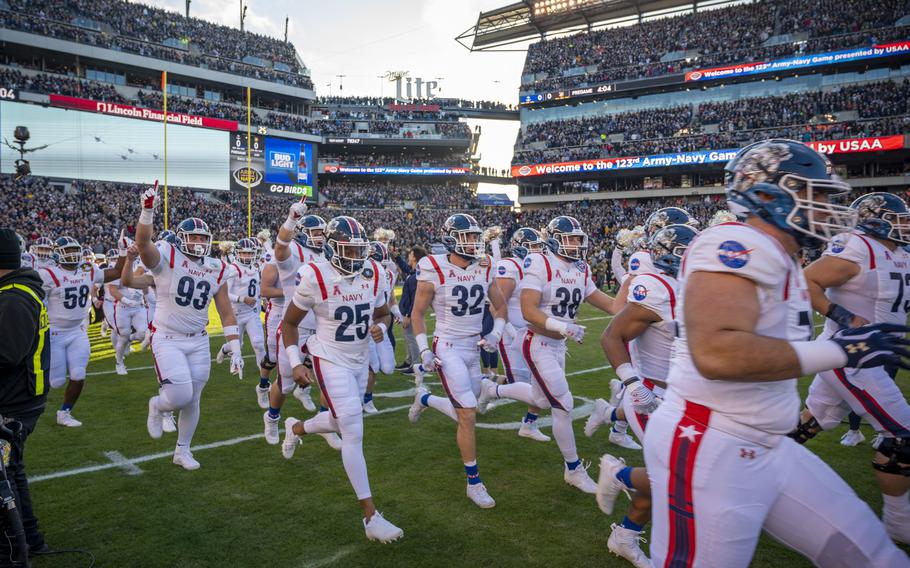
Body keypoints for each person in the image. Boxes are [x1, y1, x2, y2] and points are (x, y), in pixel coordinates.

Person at [643, 139, 910, 567]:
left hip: (768, 444)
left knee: (874, 556)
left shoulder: (784, 255)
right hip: (713, 441)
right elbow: (718, 354)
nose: (825, 205)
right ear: (769, 194)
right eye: (816, 193)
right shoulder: (734, 242)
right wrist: (841, 350)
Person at [790, 191, 910, 545]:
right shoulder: (858, 246)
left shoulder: (899, 252)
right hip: (851, 357)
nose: (904, 223)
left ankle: (749, 475)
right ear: (875, 218)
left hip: (878, 355)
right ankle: (899, 523)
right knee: (903, 438)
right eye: (898, 217)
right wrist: (842, 316)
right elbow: (807, 281)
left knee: (811, 422)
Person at [279, 215, 403, 543]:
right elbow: (289, 324)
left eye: (360, 249)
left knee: (338, 421)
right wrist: (295, 362)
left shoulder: (374, 272)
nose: (356, 256)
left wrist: (383, 327)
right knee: (352, 428)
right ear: (333, 248)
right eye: (349, 249)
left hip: (359, 359)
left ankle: (296, 427)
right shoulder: (315, 275)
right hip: (329, 357)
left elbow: (382, 313)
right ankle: (371, 517)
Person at [477, 215, 617, 495]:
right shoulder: (540, 262)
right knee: (562, 403)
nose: (577, 244)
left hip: (557, 347)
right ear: (554, 239)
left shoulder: (581, 269)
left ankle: (491, 389)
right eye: (572, 239)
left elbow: (611, 305)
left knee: (539, 398)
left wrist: (639, 296)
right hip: (537, 342)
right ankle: (573, 469)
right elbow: (529, 312)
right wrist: (563, 327)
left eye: (579, 239)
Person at [588, 223, 698, 568]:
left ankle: (624, 536)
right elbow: (611, 336)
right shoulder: (656, 286)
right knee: (681, 478)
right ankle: (618, 475)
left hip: (684, 396)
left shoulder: (690, 286)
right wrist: (632, 384)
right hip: (651, 396)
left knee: (669, 476)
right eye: (685, 252)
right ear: (667, 253)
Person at [135, 185, 245, 470]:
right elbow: (144, 246)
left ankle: (182, 450)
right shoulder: (167, 255)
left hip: (198, 339)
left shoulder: (216, 267)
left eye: (202, 237)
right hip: (167, 336)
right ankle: (157, 406)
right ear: (182, 238)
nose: (198, 241)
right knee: (180, 395)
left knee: (194, 398)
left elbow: (226, 311)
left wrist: (235, 348)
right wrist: (147, 211)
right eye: (193, 236)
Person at [408, 213, 507, 509]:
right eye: (467, 237)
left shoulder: (483, 267)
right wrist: (425, 350)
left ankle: (424, 398)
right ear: (451, 239)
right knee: (467, 414)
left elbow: (500, 306)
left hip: (473, 348)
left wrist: (496, 334)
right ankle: (473, 482)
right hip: (447, 346)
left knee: (469, 407)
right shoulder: (433, 267)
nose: (473, 242)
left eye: (476, 237)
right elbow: (417, 314)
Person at [263, 209, 339, 449]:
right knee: (285, 383)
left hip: (324, 326)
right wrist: (291, 219)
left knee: (330, 379)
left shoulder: (329, 255)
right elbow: (281, 247)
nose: (319, 237)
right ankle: (272, 417)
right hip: (295, 326)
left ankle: (323, 420)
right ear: (303, 234)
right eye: (315, 232)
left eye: (321, 233)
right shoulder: (294, 251)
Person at [38, 235, 125, 427]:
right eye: (67, 251)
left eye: (74, 250)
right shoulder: (48, 274)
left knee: (79, 373)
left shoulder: (89, 269)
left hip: (78, 330)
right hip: (55, 333)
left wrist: (123, 253)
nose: (72, 255)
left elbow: (118, 271)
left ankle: (65, 412)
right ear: (57, 254)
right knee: (57, 382)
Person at [0, 228, 50, 559]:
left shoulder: (15, 297)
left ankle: (12, 548)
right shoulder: (16, 290)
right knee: (12, 470)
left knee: (4, 477)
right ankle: (29, 538)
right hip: (21, 395)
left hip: (14, 401)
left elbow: (6, 354)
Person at [493, 227, 550, 442]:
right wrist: (510, 332)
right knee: (518, 380)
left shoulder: (539, 267)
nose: (537, 251)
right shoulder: (510, 266)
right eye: (533, 246)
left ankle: (529, 423)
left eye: (539, 246)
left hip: (533, 331)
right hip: (512, 332)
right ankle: (490, 388)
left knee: (540, 379)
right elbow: (497, 305)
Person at [215, 238, 269, 393]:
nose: (247, 256)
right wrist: (242, 299)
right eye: (244, 252)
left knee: (258, 343)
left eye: (250, 253)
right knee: (236, 345)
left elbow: (258, 288)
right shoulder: (233, 269)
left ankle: (263, 378)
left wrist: (263, 300)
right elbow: (224, 293)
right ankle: (225, 350)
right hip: (235, 313)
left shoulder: (257, 267)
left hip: (251, 312)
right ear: (238, 253)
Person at [397, 246, 425, 373]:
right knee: (408, 337)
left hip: (411, 313)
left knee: (412, 338)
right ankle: (409, 361)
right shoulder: (414, 272)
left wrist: (408, 315)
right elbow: (405, 268)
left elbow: (414, 298)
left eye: (410, 255)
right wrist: (397, 257)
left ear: (415, 257)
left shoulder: (416, 276)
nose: (408, 256)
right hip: (409, 312)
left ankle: (416, 364)